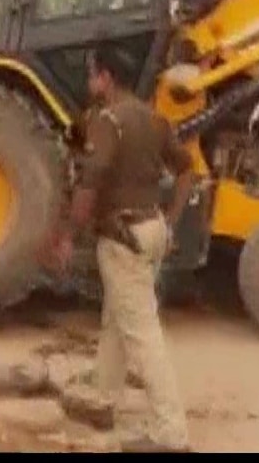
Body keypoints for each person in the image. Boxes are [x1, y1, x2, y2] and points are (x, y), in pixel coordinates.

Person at [44, 46, 195, 453]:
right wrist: (173, 222)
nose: (89, 81)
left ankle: (171, 433)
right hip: (151, 231)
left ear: (106, 78)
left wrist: (67, 235)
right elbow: (187, 171)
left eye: (92, 73)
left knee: (142, 332)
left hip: (123, 236)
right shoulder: (154, 119)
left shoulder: (109, 122)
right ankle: (103, 398)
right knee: (118, 316)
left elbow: (91, 180)